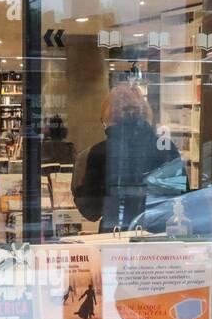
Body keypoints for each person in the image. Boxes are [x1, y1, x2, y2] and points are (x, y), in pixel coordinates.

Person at [72, 84, 169, 232]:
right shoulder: (164, 149)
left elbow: (90, 210)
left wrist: (79, 189)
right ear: (144, 113)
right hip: (157, 234)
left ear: (108, 117)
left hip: (115, 233)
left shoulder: (99, 153)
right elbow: (179, 200)